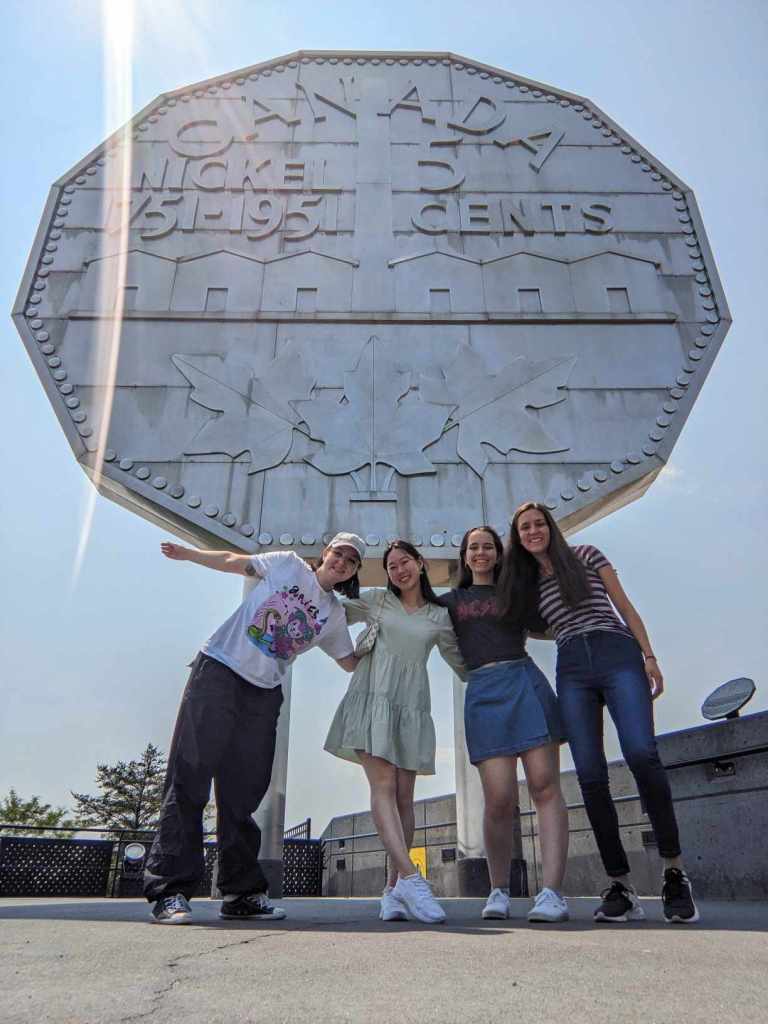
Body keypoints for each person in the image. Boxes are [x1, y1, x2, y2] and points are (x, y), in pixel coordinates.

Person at [143, 532, 364, 925]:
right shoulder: (289, 564)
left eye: (351, 559)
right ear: (324, 553)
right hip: (219, 670)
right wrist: (190, 554)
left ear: (353, 571)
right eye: (338, 552)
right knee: (189, 778)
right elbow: (233, 559)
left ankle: (241, 894)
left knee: (244, 794)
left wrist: (392, 632)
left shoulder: (333, 615)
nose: (342, 561)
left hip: (263, 694)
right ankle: (171, 891)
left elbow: (349, 661)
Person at [499, 502, 699, 924]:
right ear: (517, 538)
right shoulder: (529, 584)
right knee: (589, 775)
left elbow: (624, 607)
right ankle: (621, 886)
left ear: (551, 527)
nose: (533, 531)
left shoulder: (587, 555)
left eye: (539, 524)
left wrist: (648, 655)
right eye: (524, 528)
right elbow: (526, 624)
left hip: (617, 654)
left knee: (642, 753)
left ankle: (674, 872)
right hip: (571, 667)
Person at [324, 540, 466, 924]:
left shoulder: (439, 615)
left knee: (405, 798)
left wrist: (493, 679)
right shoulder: (377, 601)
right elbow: (328, 611)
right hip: (371, 700)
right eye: (391, 566)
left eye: (405, 562)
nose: (399, 570)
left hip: (411, 707)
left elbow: (459, 661)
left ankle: (392, 892)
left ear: (420, 564)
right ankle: (411, 879)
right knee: (383, 788)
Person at [440, 526, 570, 924]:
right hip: (482, 692)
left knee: (544, 785)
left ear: (498, 554)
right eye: (473, 547)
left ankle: (552, 893)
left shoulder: (517, 592)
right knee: (498, 799)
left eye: (488, 547)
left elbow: (553, 618)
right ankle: (498, 890)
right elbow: (407, 608)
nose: (480, 553)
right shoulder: (450, 601)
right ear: (464, 556)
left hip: (524, 684)